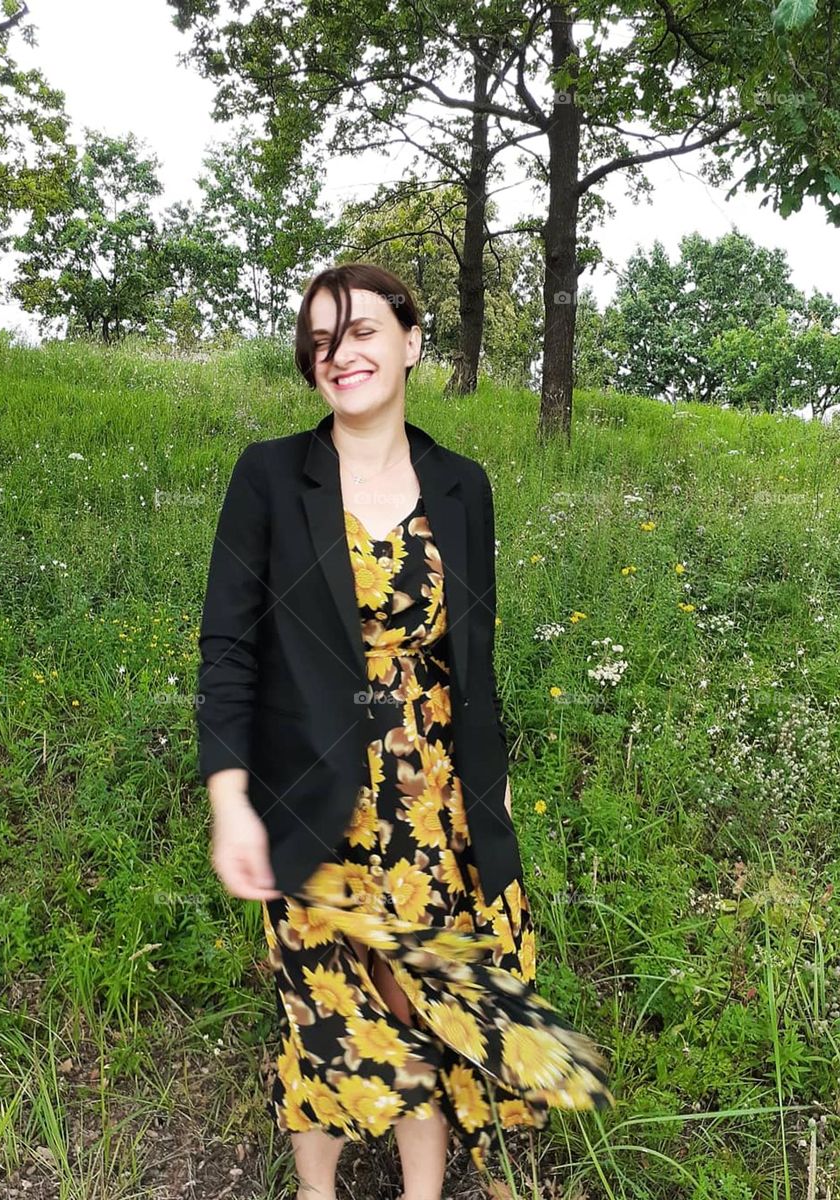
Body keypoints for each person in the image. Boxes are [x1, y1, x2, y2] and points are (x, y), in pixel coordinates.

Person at [196, 263, 614, 1200]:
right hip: (311, 790)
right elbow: (228, 648)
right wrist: (229, 799)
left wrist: (491, 781)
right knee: (326, 1003)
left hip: (436, 799)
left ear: (411, 341)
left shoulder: (463, 487)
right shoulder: (269, 476)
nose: (337, 354)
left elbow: (477, 653)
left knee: (422, 993)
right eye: (319, 340)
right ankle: (318, 1192)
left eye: (360, 332)